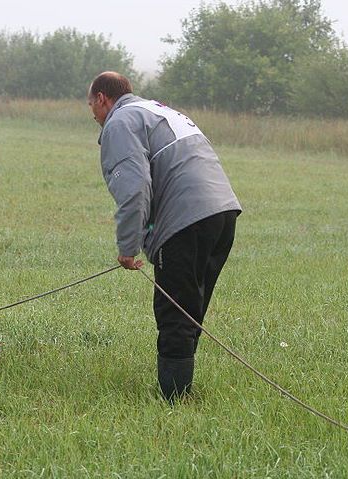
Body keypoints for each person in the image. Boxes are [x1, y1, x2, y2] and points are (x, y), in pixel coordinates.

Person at [88, 71, 242, 401]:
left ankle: (173, 399)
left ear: (102, 98)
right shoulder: (160, 111)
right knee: (191, 306)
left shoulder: (120, 122)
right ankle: (181, 387)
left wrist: (128, 246)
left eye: (91, 105)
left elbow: (134, 189)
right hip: (223, 212)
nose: (93, 114)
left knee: (176, 309)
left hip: (185, 220)